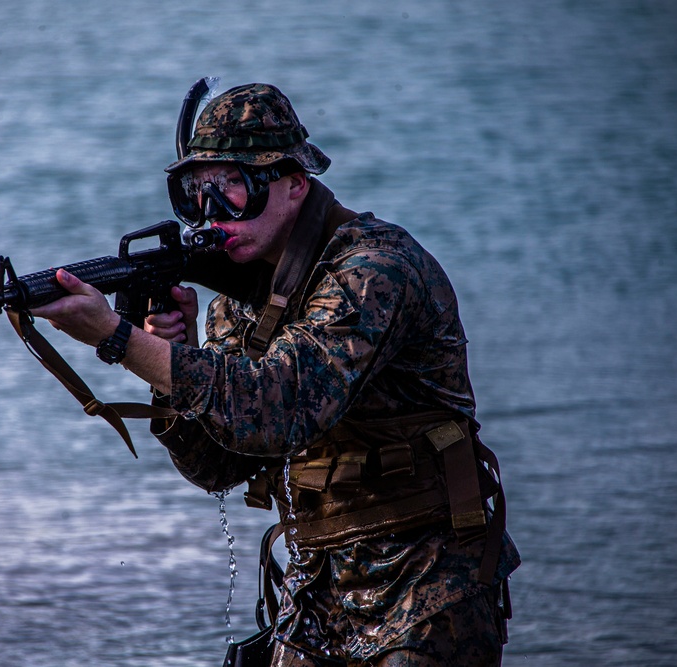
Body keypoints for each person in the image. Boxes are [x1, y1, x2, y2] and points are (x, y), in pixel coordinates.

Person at [31, 82, 520, 666]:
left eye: (233, 187)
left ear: (294, 183)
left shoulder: (373, 271)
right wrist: (172, 353)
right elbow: (222, 464)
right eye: (196, 193)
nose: (213, 214)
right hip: (317, 589)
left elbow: (282, 410)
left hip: (427, 581)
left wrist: (118, 338)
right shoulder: (241, 301)